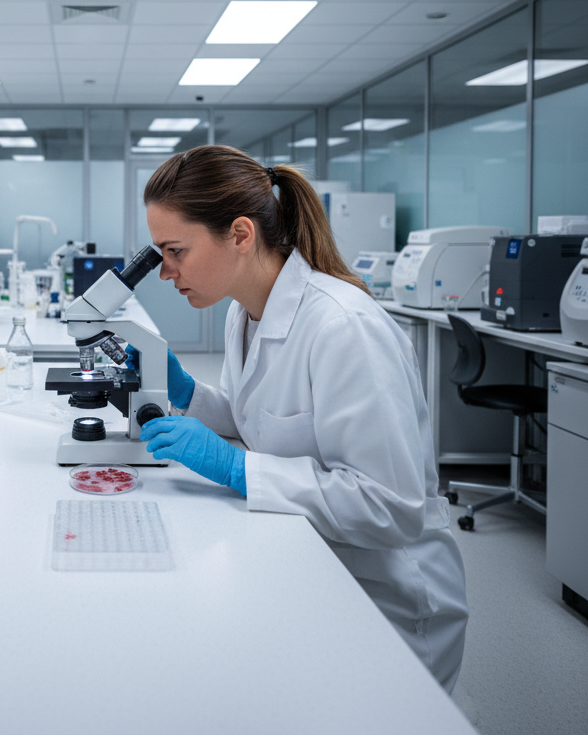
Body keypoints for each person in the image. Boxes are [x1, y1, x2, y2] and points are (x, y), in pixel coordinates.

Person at [136, 145, 468, 692]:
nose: (165, 271)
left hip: (384, 596)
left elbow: (392, 505)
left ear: (240, 235)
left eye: (174, 251)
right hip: (307, 559)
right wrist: (189, 393)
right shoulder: (245, 310)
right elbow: (262, 420)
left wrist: (238, 469)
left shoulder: (344, 327)